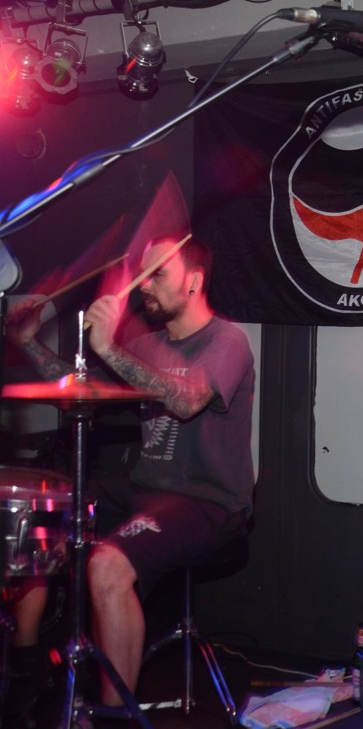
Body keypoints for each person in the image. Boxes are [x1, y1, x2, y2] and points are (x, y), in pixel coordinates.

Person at [3, 235, 255, 718]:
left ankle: (115, 718)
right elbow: (77, 389)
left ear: (194, 282)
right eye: (141, 275)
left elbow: (188, 400)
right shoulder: (144, 346)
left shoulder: (227, 341)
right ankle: (25, 674)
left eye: (157, 274)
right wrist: (28, 341)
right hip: (146, 490)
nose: (143, 286)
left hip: (208, 501)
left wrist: (108, 347)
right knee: (40, 518)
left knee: (106, 565)